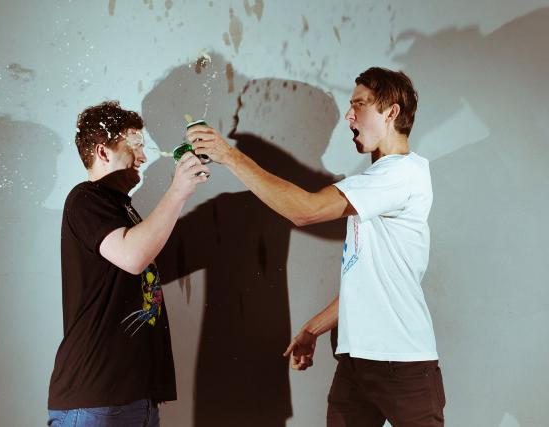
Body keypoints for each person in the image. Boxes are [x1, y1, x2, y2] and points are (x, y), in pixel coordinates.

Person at [187, 67, 445, 426]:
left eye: (359, 104)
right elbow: (368, 282)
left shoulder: (400, 174)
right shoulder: (373, 185)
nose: (349, 115)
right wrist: (314, 328)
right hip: (355, 364)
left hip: (402, 363)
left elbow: (305, 210)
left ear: (391, 113)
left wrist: (229, 156)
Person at [47, 101, 209, 427]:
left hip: (133, 401)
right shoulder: (85, 198)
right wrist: (178, 190)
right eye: (134, 146)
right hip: (97, 402)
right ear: (103, 152)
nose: (144, 157)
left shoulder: (123, 209)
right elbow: (134, 257)